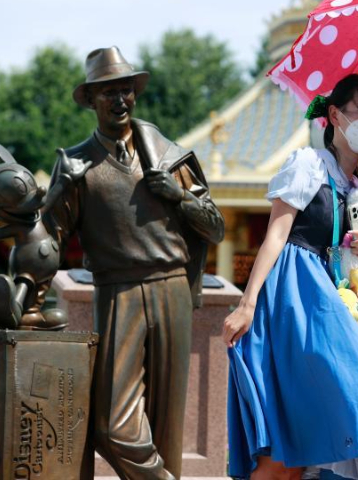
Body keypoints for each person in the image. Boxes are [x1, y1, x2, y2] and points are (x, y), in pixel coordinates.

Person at [223, 74, 358, 479]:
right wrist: (247, 302)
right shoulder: (307, 163)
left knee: (310, 441)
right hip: (294, 299)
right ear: (335, 115)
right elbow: (276, 234)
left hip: (333, 307)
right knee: (287, 444)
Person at [46, 46, 225, 479]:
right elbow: (50, 237)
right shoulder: (75, 165)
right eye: (109, 92)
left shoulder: (169, 156)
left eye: (126, 90)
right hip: (117, 289)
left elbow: (215, 228)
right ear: (91, 100)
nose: (120, 100)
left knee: (167, 419)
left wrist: (178, 195)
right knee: (111, 423)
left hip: (172, 288)